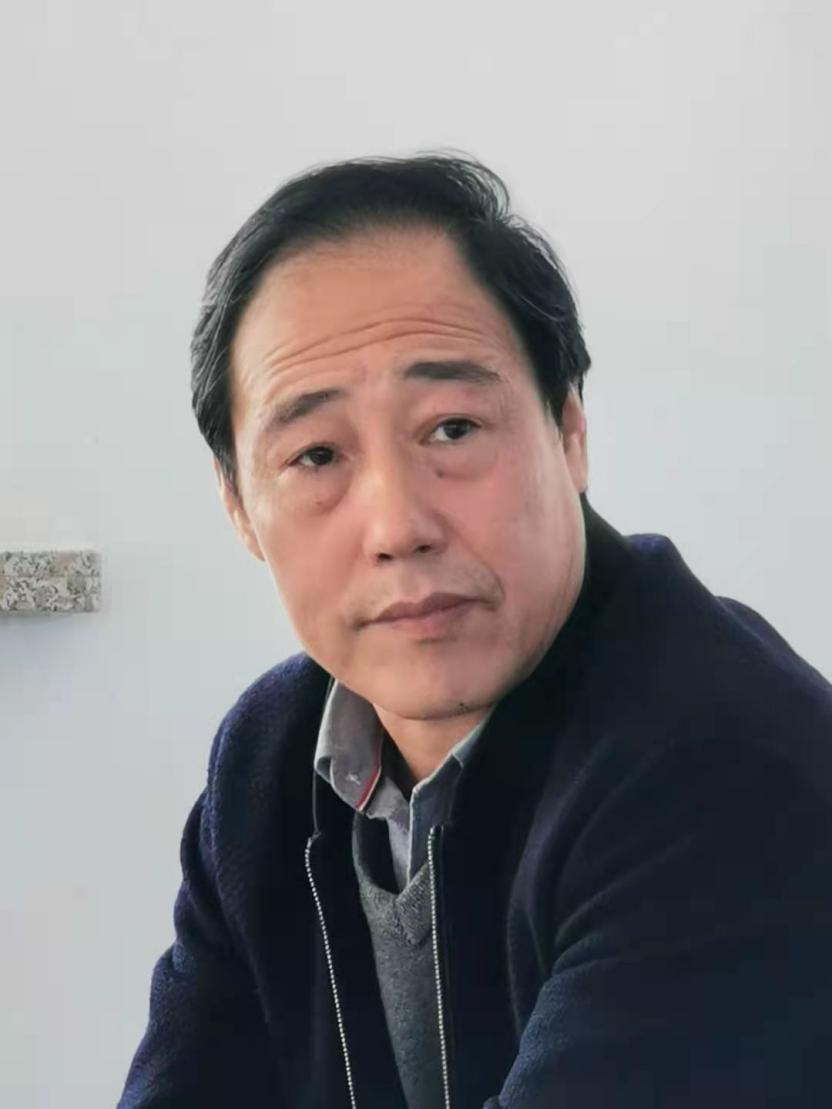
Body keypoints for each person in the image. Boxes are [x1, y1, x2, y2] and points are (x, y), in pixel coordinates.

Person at [118, 155, 832, 1109]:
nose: (397, 524)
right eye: (317, 454)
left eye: (452, 428)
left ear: (569, 431)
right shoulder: (267, 761)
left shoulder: (725, 765)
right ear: (239, 507)